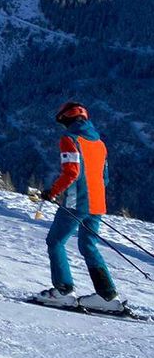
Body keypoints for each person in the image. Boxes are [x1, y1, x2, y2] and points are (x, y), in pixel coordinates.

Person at [33, 101, 124, 313]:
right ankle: (107, 296)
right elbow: (105, 178)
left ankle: (63, 292)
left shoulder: (70, 140)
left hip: (76, 202)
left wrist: (52, 192)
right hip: (98, 204)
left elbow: (72, 172)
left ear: (66, 119)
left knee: (55, 241)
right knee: (88, 246)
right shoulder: (100, 144)